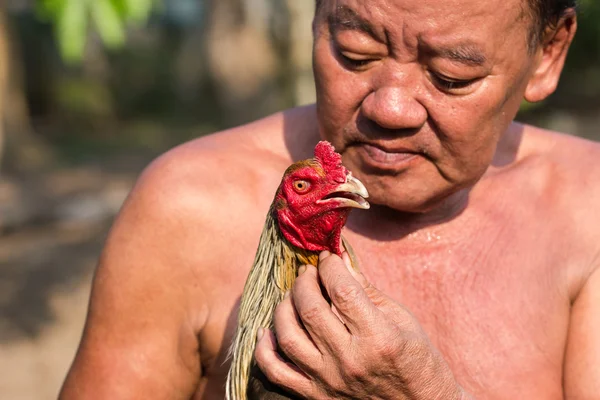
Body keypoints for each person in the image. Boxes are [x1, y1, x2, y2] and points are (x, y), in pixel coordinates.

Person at [60, 0, 599, 398]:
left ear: (548, 54)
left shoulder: (587, 207)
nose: (390, 108)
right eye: (354, 53)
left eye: (450, 76)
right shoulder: (188, 202)